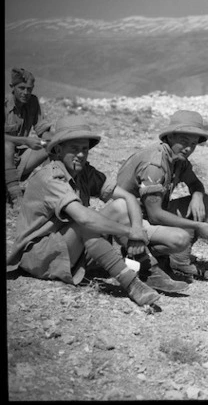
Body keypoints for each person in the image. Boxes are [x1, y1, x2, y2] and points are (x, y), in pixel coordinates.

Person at [6, 115, 160, 306]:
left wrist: (137, 229)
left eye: (84, 149)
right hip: (38, 256)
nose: (81, 154)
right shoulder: (50, 178)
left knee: (119, 206)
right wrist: (130, 232)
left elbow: (128, 198)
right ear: (58, 150)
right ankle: (131, 283)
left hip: (67, 245)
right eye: (74, 149)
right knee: (84, 223)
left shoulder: (84, 171)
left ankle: (146, 267)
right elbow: (84, 218)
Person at [115, 110, 208, 279]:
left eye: (193, 144)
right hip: (128, 222)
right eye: (184, 141)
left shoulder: (178, 159)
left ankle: (177, 260)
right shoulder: (155, 165)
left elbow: (195, 183)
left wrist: (197, 196)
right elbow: (155, 216)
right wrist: (197, 226)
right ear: (170, 137)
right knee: (180, 239)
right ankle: (143, 259)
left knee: (205, 200)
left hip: (147, 215)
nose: (188, 148)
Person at [4, 67, 52, 207]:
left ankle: (50, 191)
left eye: (29, 89)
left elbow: (43, 130)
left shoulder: (33, 103)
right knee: (7, 146)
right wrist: (25, 140)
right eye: (22, 88)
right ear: (12, 87)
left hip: (18, 160)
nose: (26, 92)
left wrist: (51, 141)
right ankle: (16, 197)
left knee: (50, 146)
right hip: (7, 157)